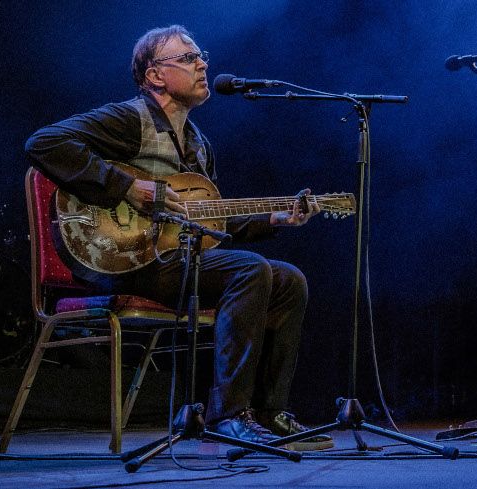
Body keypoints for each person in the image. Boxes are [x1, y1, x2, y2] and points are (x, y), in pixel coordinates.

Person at [25, 25, 332, 450]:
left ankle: (268, 413)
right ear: (154, 75)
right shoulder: (128, 119)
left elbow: (211, 224)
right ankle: (227, 415)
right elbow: (44, 142)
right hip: (123, 258)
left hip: (174, 261)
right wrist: (126, 186)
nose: (202, 64)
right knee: (250, 270)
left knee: (288, 280)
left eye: (201, 56)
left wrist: (274, 219)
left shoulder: (198, 144)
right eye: (188, 58)